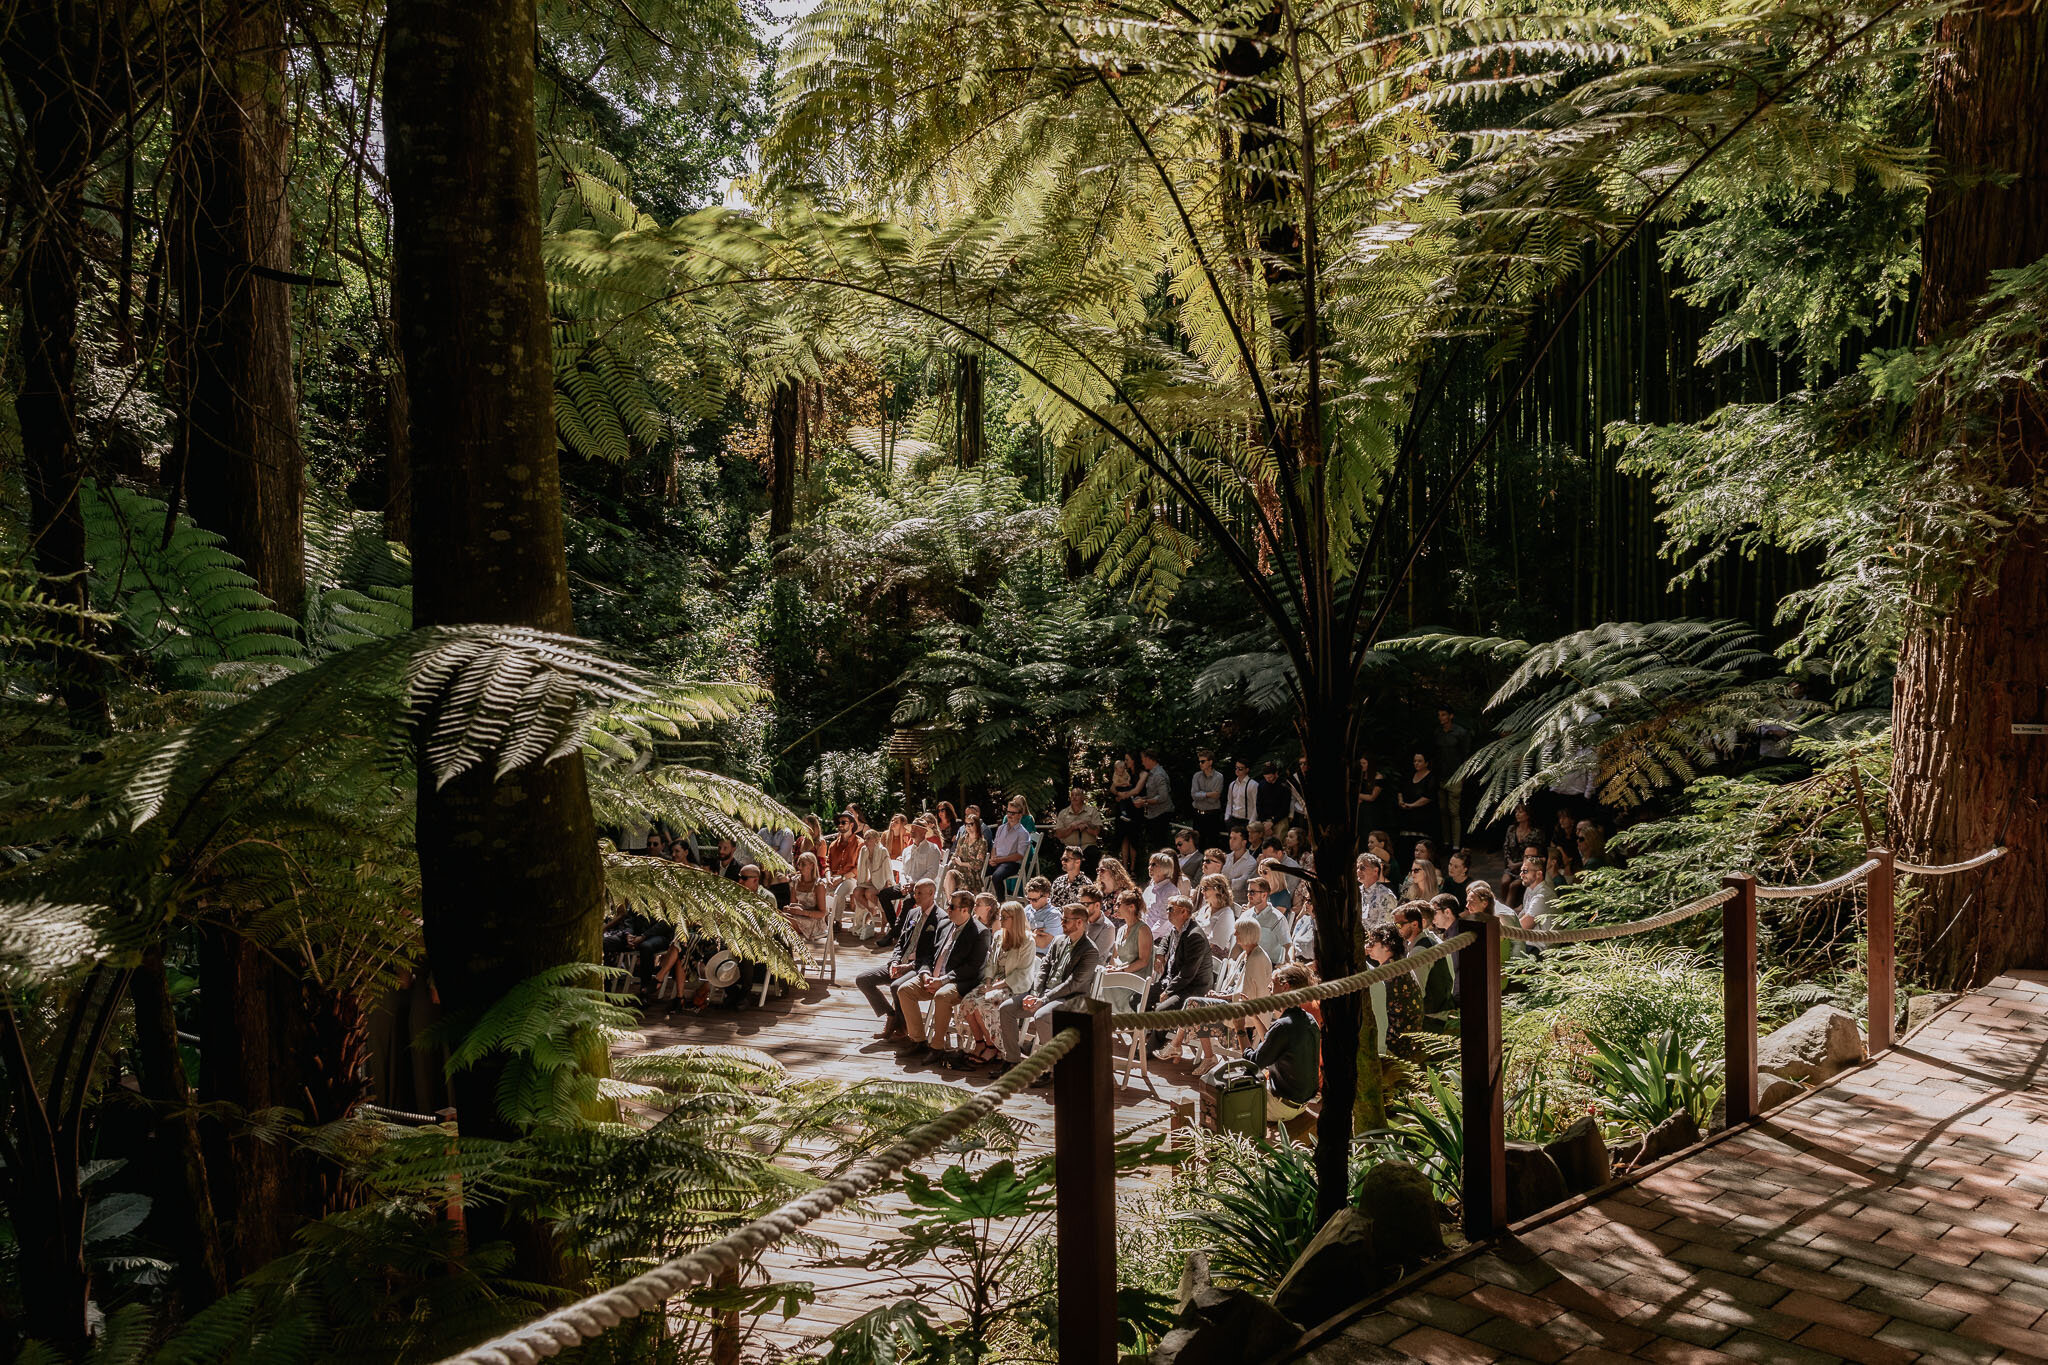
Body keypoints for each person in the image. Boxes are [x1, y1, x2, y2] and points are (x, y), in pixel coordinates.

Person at [1000, 904, 1102, 1070]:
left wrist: (1043, 999)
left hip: (1070, 999)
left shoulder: (1090, 951)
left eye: (1066, 920)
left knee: (1041, 1015)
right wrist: (1035, 994)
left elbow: (1073, 983)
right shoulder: (1058, 940)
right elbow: (1043, 969)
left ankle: (1052, 1069)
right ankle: (1012, 1060)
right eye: (1062, 919)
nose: (1061, 922)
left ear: (1079, 923)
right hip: (1044, 994)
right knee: (1006, 1008)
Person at [1164, 918, 1274, 1068]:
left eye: (1238, 932)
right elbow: (1234, 985)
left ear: (1246, 934)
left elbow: (1245, 995)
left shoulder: (1257, 958)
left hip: (1244, 1016)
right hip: (1231, 1005)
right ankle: (1202, 1055)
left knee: (1193, 1004)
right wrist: (1220, 995)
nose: (1235, 934)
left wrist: (1220, 996)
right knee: (1196, 1008)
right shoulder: (1245, 954)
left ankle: (1178, 1045)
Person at [897, 890, 990, 1063]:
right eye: (948, 904)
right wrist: (925, 974)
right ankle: (918, 1040)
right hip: (932, 977)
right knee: (904, 990)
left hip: (958, 981)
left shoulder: (980, 932)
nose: (947, 909)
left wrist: (943, 980)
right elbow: (926, 954)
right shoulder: (944, 924)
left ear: (965, 910)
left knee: (942, 996)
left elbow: (973, 967)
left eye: (952, 906)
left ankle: (937, 1047)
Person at [854, 879, 941, 1039]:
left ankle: (902, 1027)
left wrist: (908, 967)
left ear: (931, 893)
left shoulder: (940, 918)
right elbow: (901, 941)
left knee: (896, 986)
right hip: (901, 962)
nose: (916, 896)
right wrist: (895, 961)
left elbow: (934, 956)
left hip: (919, 968)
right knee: (863, 979)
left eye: (920, 893)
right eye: (915, 892)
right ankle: (891, 1015)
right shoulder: (912, 913)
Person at [962, 900, 1037, 1067]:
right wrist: (988, 981)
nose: (1000, 920)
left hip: (1013, 986)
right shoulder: (998, 936)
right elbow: (990, 963)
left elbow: (1021, 973)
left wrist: (994, 987)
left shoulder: (1028, 941)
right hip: (994, 981)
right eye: (1000, 916)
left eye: (1004, 917)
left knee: (984, 1003)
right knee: (968, 1001)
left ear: (1015, 919)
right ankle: (980, 1042)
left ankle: (992, 1047)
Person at [1246, 964, 1321, 1123]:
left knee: (1226, 1093)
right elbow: (1273, 1043)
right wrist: (1254, 1017)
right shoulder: (1308, 1020)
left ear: (1285, 987)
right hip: (1300, 1104)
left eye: (1273, 983)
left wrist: (1239, 1030)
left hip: (1281, 1108)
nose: (1269, 987)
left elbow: (1252, 1064)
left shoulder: (1284, 1026)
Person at [1144, 896, 1215, 1056]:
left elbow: (1188, 973)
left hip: (1192, 989)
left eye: (1171, 909)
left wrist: (1168, 991)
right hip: (1174, 981)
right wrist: (1161, 954)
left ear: (1184, 912)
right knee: (1139, 999)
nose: (1167, 912)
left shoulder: (1194, 936)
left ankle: (1151, 1048)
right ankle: (1149, 1034)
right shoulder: (1176, 928)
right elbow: (1165, 941)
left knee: (1163, 1010)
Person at [1365, 925, 1424, 1055]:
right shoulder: (1400, 965)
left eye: (1372, 943)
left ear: (1386, 946)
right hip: (1410, 1041)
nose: (1368, 947)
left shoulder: (1387, 974)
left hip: (1395, 1045)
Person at [1395, 901, 1453, 1014]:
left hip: (1431, 1018)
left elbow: (1417, 993)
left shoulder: (1419, 951)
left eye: (1399, 925)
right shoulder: (1428, 942)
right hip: (1438, 1013)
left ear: (1416, 924)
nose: (1397, 929)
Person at [1103, 891, 1154, 1010]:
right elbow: (1115, 957)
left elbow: (1143, 961)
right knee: (1097, 979)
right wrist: (1112, 968)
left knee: (1101, 986)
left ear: (1131, 907)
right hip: (1119, 975)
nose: (1115, 908)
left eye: (1119, 904)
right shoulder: (1121, 930)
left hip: (1134, 979)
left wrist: (1121, 970)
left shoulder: (1143, 930)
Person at [1432, 705, 1474, 843]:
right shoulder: (1438, 732)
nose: (1441, 718)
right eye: (1439, 715)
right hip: (1441, 776)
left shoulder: (1460, 732)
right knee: (1443, 811)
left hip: (1456, 776)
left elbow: (1466, 755)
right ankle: (1446, 842)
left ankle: (1456, 843)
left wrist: (1463, 775)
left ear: (1451, 716)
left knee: (1454, 812)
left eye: (1444, 715)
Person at [1048, 787, 1107, 873]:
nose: (1074, 797)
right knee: (1057, 854)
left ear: (1083, 798)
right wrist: (1071, 828)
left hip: (1087, 847)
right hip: (1068, 847)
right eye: (1072, 795)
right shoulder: (1063, 813)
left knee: (1094, 854)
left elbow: (1097, 831)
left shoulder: (1092, 811)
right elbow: (1059, 834)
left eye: (1077, 795)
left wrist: (1086, 826)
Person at [851, 825, 894, 941]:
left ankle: (883, 915)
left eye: (869, 838)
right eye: (865, 838)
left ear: (876, 839)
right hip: (871, 881)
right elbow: (862, 870)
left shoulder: (882, 851)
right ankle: (871, 910)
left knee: (869, 893)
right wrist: (863, 882)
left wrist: (886, 886)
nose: (866, 840)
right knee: (857, 892)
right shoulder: (864, 850)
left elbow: (888, 870)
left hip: (883, 881)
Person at [1396, 750, 1439, 850]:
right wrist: (1400, 801)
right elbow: (1400, 790)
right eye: (1415, 761)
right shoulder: (1409, 775)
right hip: (1407, 815)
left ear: (1426, 763)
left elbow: (1428, 797)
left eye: (1419, 761)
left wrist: (1412, 805)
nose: (1416, 763)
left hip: (1424, 817)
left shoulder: (1431, 778)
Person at [988, 797, 1034, 892]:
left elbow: (1019, 855)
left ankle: (1002, 904)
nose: (1009, 815)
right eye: (1008, 812)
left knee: (996, 877)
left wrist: (999, 860)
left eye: (1013, 813)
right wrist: (993, 858)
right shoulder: (1001, 828)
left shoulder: (1023, 833)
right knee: (978, 870)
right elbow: (995, 846)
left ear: (1019, 815)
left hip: (1011, 864)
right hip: (997, 861)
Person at [1244, 876, 1289, 967]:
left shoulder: (1277, 918)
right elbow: (1238, 943)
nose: (1249, 895)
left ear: (1264, 895)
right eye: (1248, 892)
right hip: (1247, 962)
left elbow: (1287, 944)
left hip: (1268, 965)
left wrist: (1287, 963)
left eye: (1252, 892)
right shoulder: (1246, 915)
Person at [1136, 749, 1176, 851]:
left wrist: (1144, 802)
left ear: (1149, 759)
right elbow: (1154, 794)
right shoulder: (1152, 774)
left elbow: (1163, 797)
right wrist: (1143, 799)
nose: (1142, 762)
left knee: (1161, 847)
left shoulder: (1158, 774)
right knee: (1156, 847)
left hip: (1161, 815)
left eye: (1143, 759)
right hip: (1154, 815)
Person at [1110, 752, 1145, 866]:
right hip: (1123, 810)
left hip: (1134, 810)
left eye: (1127, 759)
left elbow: (1137, 791)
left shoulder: (1140, 774)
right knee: (1124, 838)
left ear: (1134, 760)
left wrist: (1124, 795)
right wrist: (1118, 794)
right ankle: (1124, 866)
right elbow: (1112, 787)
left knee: (1133, 839)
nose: (1125, 762)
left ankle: (1133, 867)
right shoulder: (1121, 772)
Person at [1189, 750, 1225, 849]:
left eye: (1203, 761)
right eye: (1199, 761)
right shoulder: (1196, 776)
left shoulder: (1218, 777)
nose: (1200, 764)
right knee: (1197, 845)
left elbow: (1215, 798)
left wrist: (1201, 795)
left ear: (1210, 762)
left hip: (1212, 815)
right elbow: (1193, 795)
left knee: (1213, 845)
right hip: (1198, 814)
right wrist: (1209, 794)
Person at [900, 814, 944, 892]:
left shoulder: (932, 849)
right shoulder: (906, 850)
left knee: (907, 901)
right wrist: (904, 884)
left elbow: (932, 872)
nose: (912, 830)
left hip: (922, 887)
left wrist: (915, 884)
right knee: (884, 894)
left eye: (916, 828)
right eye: (912, 827)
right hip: (906, 885)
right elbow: (903, 871)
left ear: (924, 831)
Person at [1198, 873, 1239, 957]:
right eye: (1202, 888)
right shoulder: (1205, 908)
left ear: (1217, 889)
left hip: (1211, 957)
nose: (1202, 891)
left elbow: (1214, 944)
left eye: (1205, 888)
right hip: (1198, 950)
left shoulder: (1226, 914)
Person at [950, 812, 990, 894]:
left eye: (971, 824)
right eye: (966, 824)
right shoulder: (962, 839)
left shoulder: (982, 842)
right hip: (959, 871)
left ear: (977, 825)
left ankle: (954, 902)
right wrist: (953, 860)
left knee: (954, 877)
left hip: (972, 875)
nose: (968, 826)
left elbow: (978, 864)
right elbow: (955, 854)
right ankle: (950, 901)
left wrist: (962, 864)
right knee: (949, 874)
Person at [1020, 876, 1062, 950]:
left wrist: (1023, 932)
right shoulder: (1027, 909)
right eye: (1029, 899)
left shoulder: (1054, 915)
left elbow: (1042, 943)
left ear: (1046, 895)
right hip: (1025, 952)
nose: (1031, 902)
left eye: (1035, 900)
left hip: (1041, 957)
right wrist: (1032, 933)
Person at [1357, 852, 1397, 929]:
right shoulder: (1357, 893)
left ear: (1375, 871)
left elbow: (1385, 928)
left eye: (1362, 868)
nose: (1358, 871)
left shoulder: (1386, 895)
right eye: (1357, 868)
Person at [1142, 852, 1178, 936]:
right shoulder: (1149, 889)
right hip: (1144, 935)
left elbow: (1165, 920)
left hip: (1160, 939)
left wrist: (1149, 936)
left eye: (1154, 865)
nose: (1149, 867)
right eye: (1149, 864)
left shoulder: (1170, 891)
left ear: (1165, 868)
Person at [1220, 826, 1257, 899]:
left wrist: (1221, 881)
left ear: (1244, 842)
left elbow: (1240, 884)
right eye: (1230, 838)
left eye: (1235, 839)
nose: (1231, 841)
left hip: (1238, 902)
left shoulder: (1251, 862)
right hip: (1222, 898)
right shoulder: (1226, 857)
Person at [1223, 757, 1258, 832]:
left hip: (1246, 821)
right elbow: (1230, 802)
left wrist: (1251, 822)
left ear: (1247, 770)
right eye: (1236, 768)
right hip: (1233, 820)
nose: (1237, 770)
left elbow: (1256, 805)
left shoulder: (1253, 785)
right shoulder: (1232, 784)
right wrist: (1227, 818)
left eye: (1240, 769)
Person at [1287, 883, 1319, 966]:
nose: (1306, 904)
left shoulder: (1324, 926)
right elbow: (1292, 944)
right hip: (1297, 963)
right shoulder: (1303, 920)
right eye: (1306, 900)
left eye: (1310, 901)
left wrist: (1304, 968)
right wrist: (1292, 961)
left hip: (1312, 966)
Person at [1255, 759, 1292, 825]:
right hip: (1265, 820)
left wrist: (1273, 821)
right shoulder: (1262, 784)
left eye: (1270, 777)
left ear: (1276, 773)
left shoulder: (1284, 785)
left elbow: (1285, 807)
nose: (1268, 779)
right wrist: (1263, 820)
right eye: (1265, 777)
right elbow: (1259, 803)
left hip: (1280, 820)